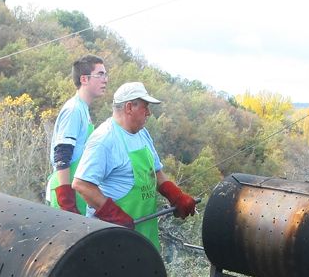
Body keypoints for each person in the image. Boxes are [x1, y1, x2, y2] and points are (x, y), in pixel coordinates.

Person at [72, 81, 197, 249]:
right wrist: (114, 215)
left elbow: (156, 172)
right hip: (111, 240)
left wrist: (176, 196)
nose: (149, 113)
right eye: (145, 107)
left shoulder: (142, 134)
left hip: (144, 237)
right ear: (129, 107)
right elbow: (82, 184)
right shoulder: (104, 139)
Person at [47, 55, 109, 214]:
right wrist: (66, 199)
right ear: (84, 79)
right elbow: (61, 155)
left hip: (77, 193)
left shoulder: (83, 109)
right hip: (66, 194)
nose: (105, 79)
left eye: (105, 74)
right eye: (100, 74)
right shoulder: (73, 109)